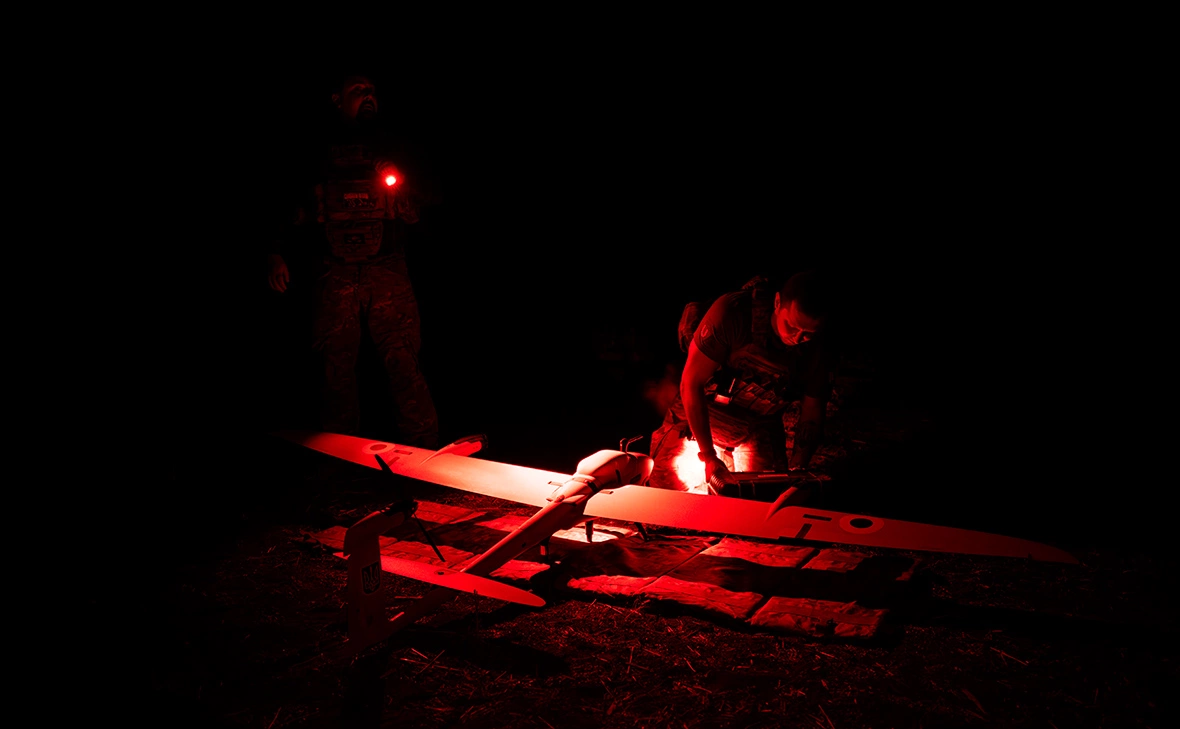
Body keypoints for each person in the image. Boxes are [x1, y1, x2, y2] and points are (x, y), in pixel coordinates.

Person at [267, 72, 439, 449]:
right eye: (358, 91)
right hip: (334, 270)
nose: (368, 97)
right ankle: (342, 454)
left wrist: (400, 180)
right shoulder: (313, 149)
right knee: (335, 368)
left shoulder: (395, 144)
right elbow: (288, 202)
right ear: (336, 99)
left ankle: (426, 452)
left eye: (373, 91)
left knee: (404, 361)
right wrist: (275, 251)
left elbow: (423, 206)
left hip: (387, 267)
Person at [647, 271, 835, 496]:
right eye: (792, 327)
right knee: (666, 495)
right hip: (706, 409)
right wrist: (708, 456)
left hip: (758, 423)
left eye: (807, 334)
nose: (797, 338)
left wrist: (797, 472)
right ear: (777, 303)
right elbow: (691, 383)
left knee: (765, 499)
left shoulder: (819, 349)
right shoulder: (733, 313)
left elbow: (812, 414)